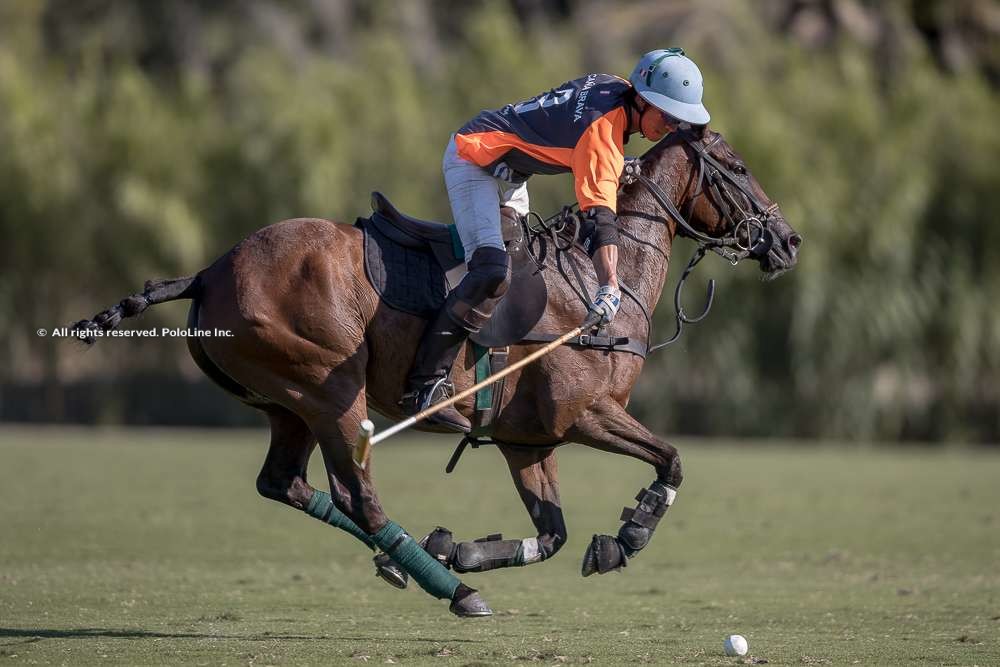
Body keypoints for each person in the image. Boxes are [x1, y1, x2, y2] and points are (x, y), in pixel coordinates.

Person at [400, 48, 711, 431]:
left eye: (678, 121)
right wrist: (609, 285)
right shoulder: (603, 131)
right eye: (667, 116)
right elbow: (600, 219)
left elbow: (577, 140)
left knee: (525, 273)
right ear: (643, 101)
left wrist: (615, 166)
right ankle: (424, 387)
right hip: (475, 159)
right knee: (492, 271)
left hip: (510, 173)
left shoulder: (614, 86)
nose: (670, 127)